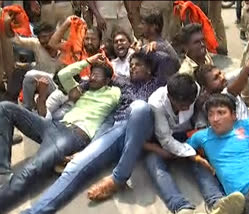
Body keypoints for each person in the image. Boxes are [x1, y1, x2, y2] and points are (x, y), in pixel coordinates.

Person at [21, 51, 163, 214]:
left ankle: (119, 178)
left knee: (140, 107)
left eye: (138, 65)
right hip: (118, 128)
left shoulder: (158, 83)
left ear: (149, 70)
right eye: (131, 65)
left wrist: (155, 47)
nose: (133, 68)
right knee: (76, 166)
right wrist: (91, 62)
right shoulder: (122, 83)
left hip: (141, 128)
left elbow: (170, 60)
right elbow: (81, 77)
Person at [0, 53, 121, 212]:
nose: (91, 77)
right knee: (5, 108)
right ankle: (3, 172)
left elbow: (126, 84)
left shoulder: (114, 93)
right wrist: (88, 61)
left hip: (72, 135)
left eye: (96, 75)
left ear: (107, 81)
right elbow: (63, 75)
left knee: (31, 169)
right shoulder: (84, 89)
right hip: (53, 126)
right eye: (91, 73)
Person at [145, 74, 245, 214]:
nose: (186, 108)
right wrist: (193, 155)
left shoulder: (195, 89)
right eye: (182, 105)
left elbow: (198, 109)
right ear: (170, 97)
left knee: (203, 159)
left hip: (188, 133)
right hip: (162, 140)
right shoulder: (156, 103)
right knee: (154, 163)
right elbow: (166, 140)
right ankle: (181, 207)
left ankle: (217, 202)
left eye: (189, 103)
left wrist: (200, 128)